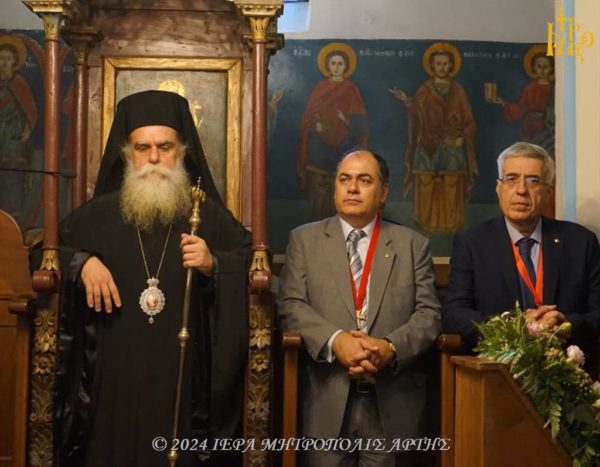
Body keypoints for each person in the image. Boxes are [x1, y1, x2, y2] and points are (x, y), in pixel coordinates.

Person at [52, 90, 252, 467]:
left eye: (165, 147)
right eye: (142, 148)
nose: (154, 158)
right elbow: (44, 254)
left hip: (181, 377)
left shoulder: (205, 214)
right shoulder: (95, 216)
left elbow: (250, 262)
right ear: (127, 154)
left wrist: (214, 263)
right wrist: (81, 262)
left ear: (182, 152)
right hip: (112, 378)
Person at [278, 148, 441, 466]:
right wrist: (337, 341)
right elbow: (291, 305)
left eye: (364, 180)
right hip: (326, 402)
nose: (352, 188)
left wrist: (389, 348)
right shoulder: (304, 241)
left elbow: (429, 315)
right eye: (344, 179)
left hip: (392, 404)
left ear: (383, 193)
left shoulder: (412, 245)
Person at [442, 142, 600, 370]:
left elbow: (596, 313)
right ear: (498, 188)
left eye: (533, 180)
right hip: (496, 370)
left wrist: (565, 324)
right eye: (511, 179)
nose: (521, 190)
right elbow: (454, 314)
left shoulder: (580, 242)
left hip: (566, 369)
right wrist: (514, 326)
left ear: (548, 192)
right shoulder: (472, 243)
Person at [390, 42, 477, 233]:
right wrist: (406, 100)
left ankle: (451, 223)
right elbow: (418, 112)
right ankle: (424, 222)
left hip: (452, 143)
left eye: (445, 63)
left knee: (451, 181)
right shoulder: (425, 88)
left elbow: (469, 120)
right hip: (427, 142)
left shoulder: (457, 90)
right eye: (438, 64)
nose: (442, 67)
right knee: (425, 180)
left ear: (451, 66)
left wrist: (463, 138)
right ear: (432, 66)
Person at [297, 42, 368, 221]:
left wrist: (346, 121)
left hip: (344, 146)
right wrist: (315, 127)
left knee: (342, 188)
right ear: (327, 66)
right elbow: (308, 119)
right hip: (319, 148)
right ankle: (316, 225)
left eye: (340, 63)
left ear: (346, 66)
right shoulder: (320, 88)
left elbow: (360, 125)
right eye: (333, 63)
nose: (336, 67)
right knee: (318, 189)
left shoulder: (351, 89)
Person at [0, 35, 38, 224]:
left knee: (11, 176)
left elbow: (30, 110)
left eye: (7, 59)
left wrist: (27, 130)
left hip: (12, 139)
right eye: (1, 58)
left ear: (15, 62)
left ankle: (12, 218)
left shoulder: (18, 83)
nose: (3, 63)